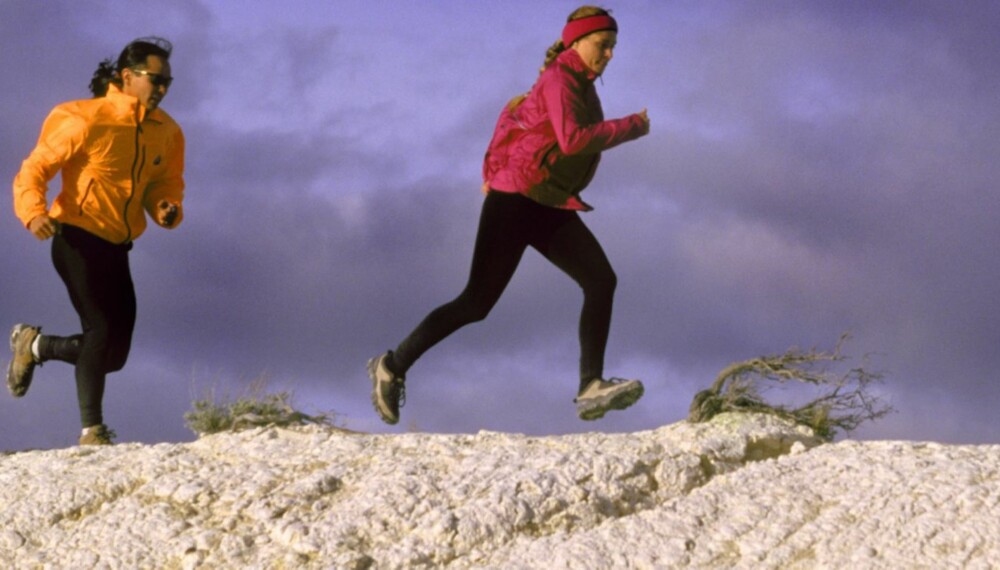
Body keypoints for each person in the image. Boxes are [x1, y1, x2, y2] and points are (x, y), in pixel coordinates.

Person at [368, 6, 650, 425]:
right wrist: (633, 126)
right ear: (576, 41)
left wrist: (490, 170)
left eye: (613, 47)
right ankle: (391, 365)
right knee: (475, 302)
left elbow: (513, 123)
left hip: (547, 201)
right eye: (602, 45)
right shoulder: (560, 78)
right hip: (516, 200)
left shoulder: (579, 85)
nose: (609, 54)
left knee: (600, 279)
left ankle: (591, 386)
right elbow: (572, 141)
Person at [7, 37, 185, 446]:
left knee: (114, 356)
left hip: (117, 247)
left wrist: (164, 208)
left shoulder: (167, 131)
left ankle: (35, 346)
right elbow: (34, 168)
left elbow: (164, 184)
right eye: (155, 80)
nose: (161, 89)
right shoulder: (83, 118)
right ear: (128, 76)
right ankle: (93, 431)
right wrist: (33, 212)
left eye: (167, 83)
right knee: (100, 330)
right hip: (74, 237)